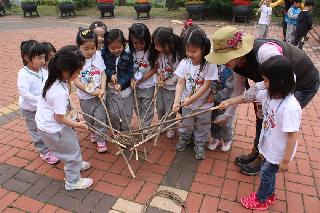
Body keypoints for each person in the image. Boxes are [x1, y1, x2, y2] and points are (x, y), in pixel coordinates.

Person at [205, 26, 319, 175]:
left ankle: (265, 160)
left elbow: (288, 77)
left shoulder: (265, 51)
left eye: (223, 58)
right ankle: (257, 151)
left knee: (274, 122)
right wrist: (227, 115)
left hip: (301, 83)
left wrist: (257, 88)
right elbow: (238, 91)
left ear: (235, 53)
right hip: (271, 86)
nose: (221, 63)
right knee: (262, 117)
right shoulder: (237, 64)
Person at [220, 56, 302, 210]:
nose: (263, 84)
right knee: (267, 174)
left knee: (265, 174)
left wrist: (285, 161)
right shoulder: (270, 94)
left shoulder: (290, 107)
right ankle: (269, 194)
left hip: (278, 152)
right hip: (269, 146)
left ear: (281, 81)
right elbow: (246, 97)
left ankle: (261, 199)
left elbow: (292, 136)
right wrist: (229, 102)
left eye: (266, 80)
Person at [35, 45, 93, 190]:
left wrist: (75, 113)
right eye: (78, 71)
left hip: (48, 125)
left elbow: (65, 102)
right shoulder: (58, 92)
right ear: (66, 72)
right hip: (55, 128)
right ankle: (72, 182)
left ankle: (76, 164)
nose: (79, 75)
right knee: (72, 151)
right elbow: (59, 117)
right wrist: (77, 125)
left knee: (70, 146)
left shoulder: (53, 77)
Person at [173, 28, 218, 160]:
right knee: (185, 124)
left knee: (203, 126)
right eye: (187, 50)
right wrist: (177, 101)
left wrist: (191, 99)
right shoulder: (184, 63)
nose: (190, 54)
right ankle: (185, 138)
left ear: (203, 49)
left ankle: (199, 144)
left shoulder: (210, 65)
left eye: (194, 51)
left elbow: (206, 86)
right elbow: (180, 83)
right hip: (186, 104)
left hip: (204, 105)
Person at [17, 40, 59, 165]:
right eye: (39, 58)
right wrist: (41, 101)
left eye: (44, 57)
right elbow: (26, 94)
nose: (43, 61)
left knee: (46, 128)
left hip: (43, 108)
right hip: (30, 110)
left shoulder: (43, 71)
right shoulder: (23, 74)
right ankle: (44, 152)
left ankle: (51, 148)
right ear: (26, 58)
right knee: (36, 131)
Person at [74, 29, 107, 153]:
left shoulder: (98, 55)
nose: (90, 51)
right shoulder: (76, 59)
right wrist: (90, 91)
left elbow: (103, 73)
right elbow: (76, 81)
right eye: (86, 48)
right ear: (79, 47)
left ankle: (101, 139)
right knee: (89, 119)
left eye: (93, 48)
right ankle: (93, 131)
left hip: (100, 95)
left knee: (100, 118)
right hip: (85, 97)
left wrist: (102, 89)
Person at [149, 27, 183, 139]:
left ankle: (170, 127)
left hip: (172, 89)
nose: (156, 48)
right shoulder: (159, 54)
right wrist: (158, 77)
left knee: (170, 109)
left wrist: (167, 82)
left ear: (169, 44)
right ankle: (161, 123)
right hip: (160, 87)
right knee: (159, 107)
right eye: (155, 45)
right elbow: (157, 68)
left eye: (159, 45)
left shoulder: (177, 56)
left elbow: (178, 75)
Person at [102, 29, 134, 131]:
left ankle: (126, 130)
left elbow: (129, 73)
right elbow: (102, 68)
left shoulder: (128, 57)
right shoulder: (104, 55)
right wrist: (110, 74)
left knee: (127, 113)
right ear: (107, 47)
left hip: (125, 91)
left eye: (119, 47)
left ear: (124, 44)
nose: (116, 50)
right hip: (111, 91)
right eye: (112, 48)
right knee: (113, 113)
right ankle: (116, 129)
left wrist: (121, 83)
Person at [129, 23, 156, 129]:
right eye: (135, 43)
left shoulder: (152, 51)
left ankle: (145, 127)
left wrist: (141, 79)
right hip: (134, 85)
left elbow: (155, 68)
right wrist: (131, 79)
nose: (139, 46)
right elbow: (126, 68)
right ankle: (143, 123)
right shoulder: (129, 51)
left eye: (142, 43)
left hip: (148, 85)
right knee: (137, 105)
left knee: (147, 107)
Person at [208, 64, 235, 152]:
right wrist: (213, 90)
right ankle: (216, 137)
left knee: (225, 122)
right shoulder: (215, 65)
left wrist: (216, 96)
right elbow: (212, 80)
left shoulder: (231, 70)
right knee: (214, 119)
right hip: (215, 98)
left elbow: (230, 89)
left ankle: (227, 139)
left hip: (227, 101)